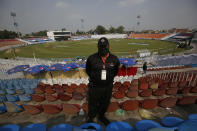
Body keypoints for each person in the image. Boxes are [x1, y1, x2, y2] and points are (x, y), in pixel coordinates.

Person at [85, 37, 120, 126]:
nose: (103, 48)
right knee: (92, 103)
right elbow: (88, 70)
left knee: (105, 103)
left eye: (105, 46)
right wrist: (96, 79)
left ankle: (101, 116)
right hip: (95, 87)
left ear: (108, 46)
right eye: (101, 46)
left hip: (108, 87)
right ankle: (91, 117)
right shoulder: (91, 58)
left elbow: (116, 71)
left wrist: (107, 79)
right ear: (98, 47)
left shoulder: (114, 59)